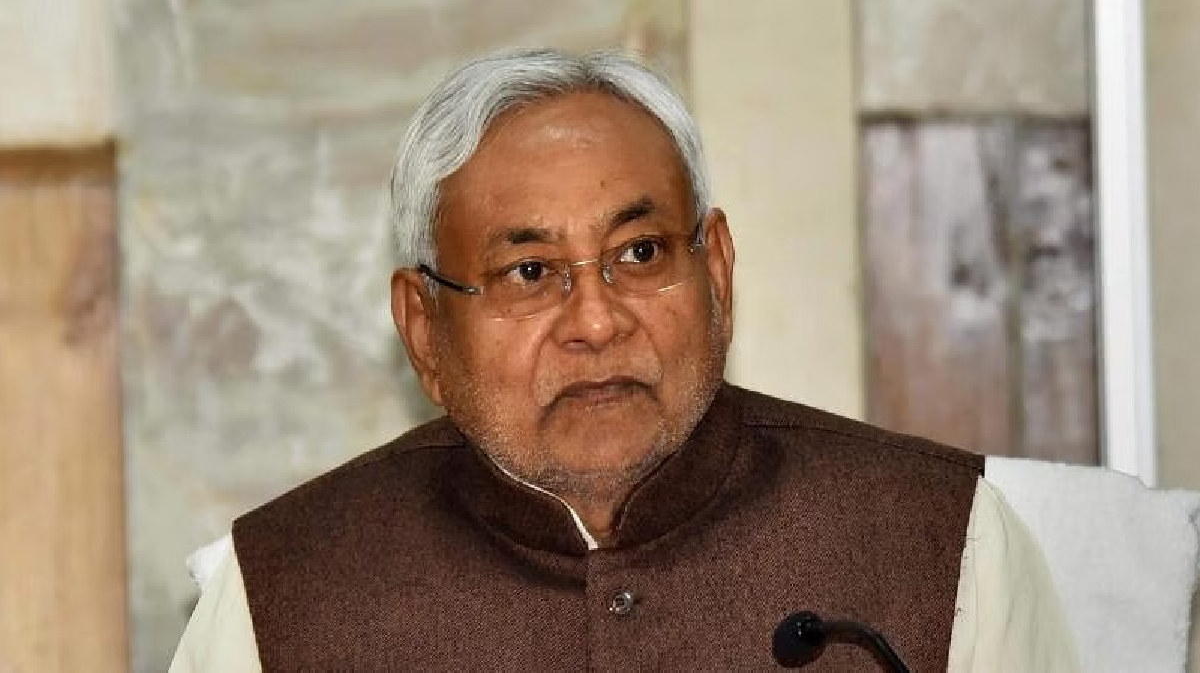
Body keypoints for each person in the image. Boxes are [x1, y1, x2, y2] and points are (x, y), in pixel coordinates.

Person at [169, 48, 1079, 671]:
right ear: (423, 329)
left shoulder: (943, 544)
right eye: (530, 271)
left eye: (639, 253)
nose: (597, 322)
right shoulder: (282, 600)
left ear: (715, 272)